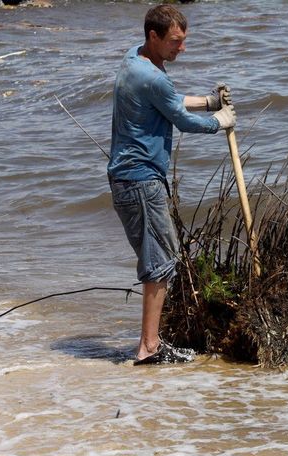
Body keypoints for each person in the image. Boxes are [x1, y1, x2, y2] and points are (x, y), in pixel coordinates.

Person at [107, 4, 237, 365]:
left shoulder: (135, 59)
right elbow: (181, 120)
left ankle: (150, 343)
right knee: (160, 263)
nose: (182, 49)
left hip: (128, 179)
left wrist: (207, 101)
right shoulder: (154, 77)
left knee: (158, 260)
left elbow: (166, 103)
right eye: (175, 42)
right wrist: (218, 121)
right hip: (141, 181)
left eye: (183, 41)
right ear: (154, 36)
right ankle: (149, 348)